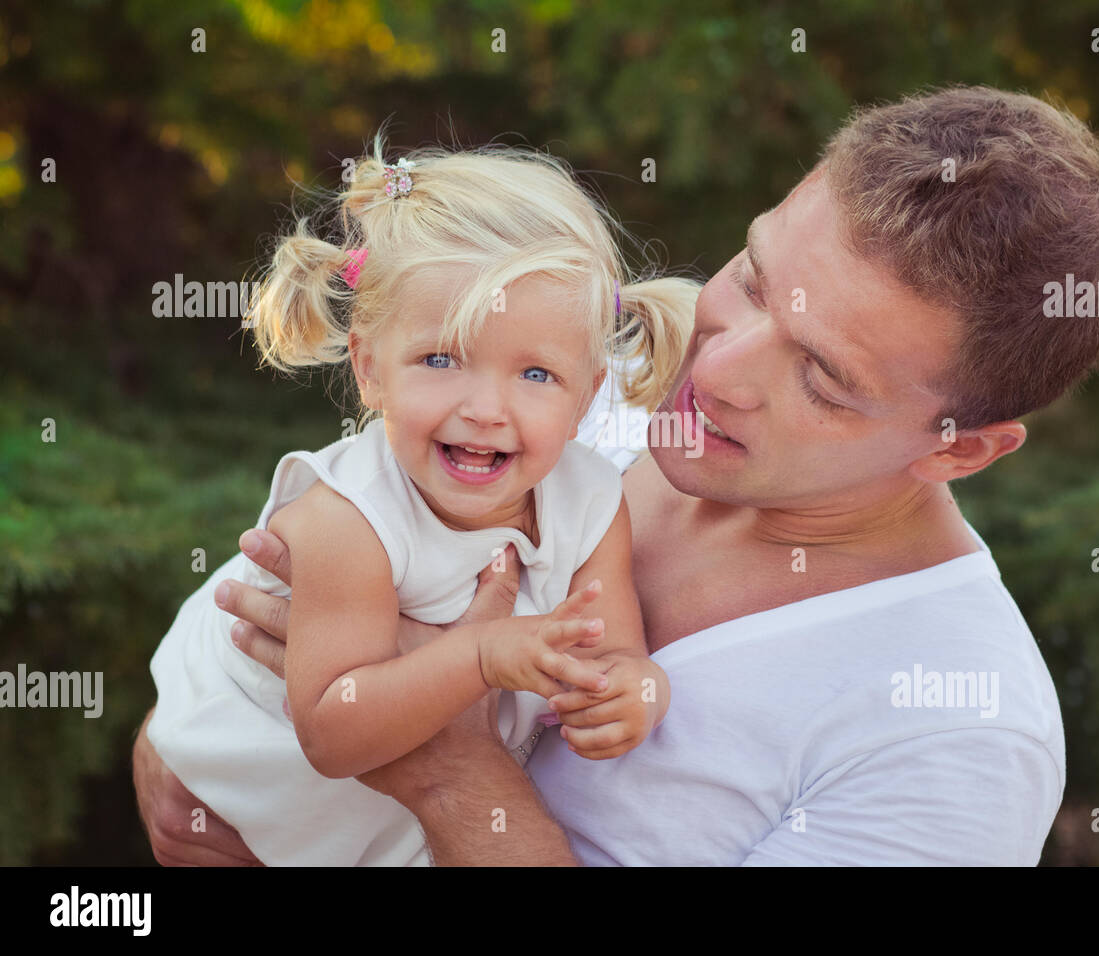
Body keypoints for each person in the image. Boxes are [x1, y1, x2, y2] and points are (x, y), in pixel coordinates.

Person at [135, 85, 1099, 865]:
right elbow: (257, 621)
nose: (712, 369)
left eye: (821, 376)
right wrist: (191, 752)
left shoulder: (953, 735)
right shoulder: (561, 385)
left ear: (958, 445)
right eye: (750, 278)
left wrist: (444, 766)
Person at [142, 142, 697, 865]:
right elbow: (333, 736)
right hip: (262, 771)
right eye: (441, 359)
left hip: (405, 813)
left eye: (536, 373)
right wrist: (478, 654)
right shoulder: (348, 521)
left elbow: (614, 650)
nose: (486, 409)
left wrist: (636, 689)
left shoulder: (591, 499)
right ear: (369, 367)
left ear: (589, 395)